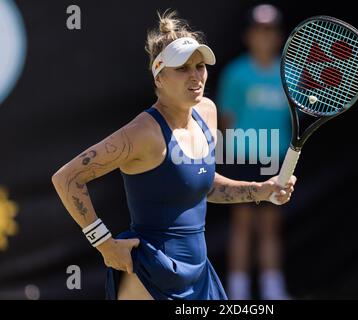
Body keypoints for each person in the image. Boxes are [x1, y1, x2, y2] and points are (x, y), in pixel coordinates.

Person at [51, 10, 296, 300]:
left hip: (200, 272)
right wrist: (104, 243)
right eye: (182, 68)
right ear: (159, 77)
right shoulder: (143, 132)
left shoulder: (207, 111)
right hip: (151, 273)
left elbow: (204, 185)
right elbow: (67, 178)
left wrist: (260, 190)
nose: (195, 76)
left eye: (200, 66)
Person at [217, 4, 292, 300]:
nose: (265, 36)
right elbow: (225, 121)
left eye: (270, 30)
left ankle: (274, 293)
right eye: (259, 30)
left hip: (276, 158)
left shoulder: (290, 74)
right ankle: (237, 294)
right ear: (249, 35)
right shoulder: (236, 73)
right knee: (243, 225)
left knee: (270, 227)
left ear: (279, 36)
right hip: (243, 157)